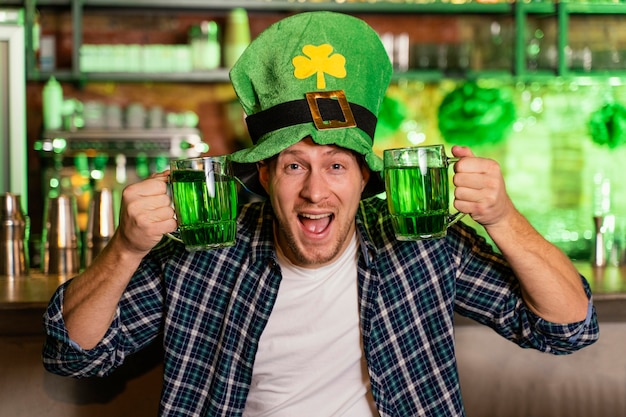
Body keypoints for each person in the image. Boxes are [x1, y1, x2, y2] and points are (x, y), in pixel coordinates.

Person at [42, 11, 599, 417]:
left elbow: (568, 328)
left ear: (365, 180)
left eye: (336, 166)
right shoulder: (204, 252)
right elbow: (73, 356)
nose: (315, 192)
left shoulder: (421, 244)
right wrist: (127, 248)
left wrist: (501, 217)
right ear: (263, 176)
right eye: (292, 167)